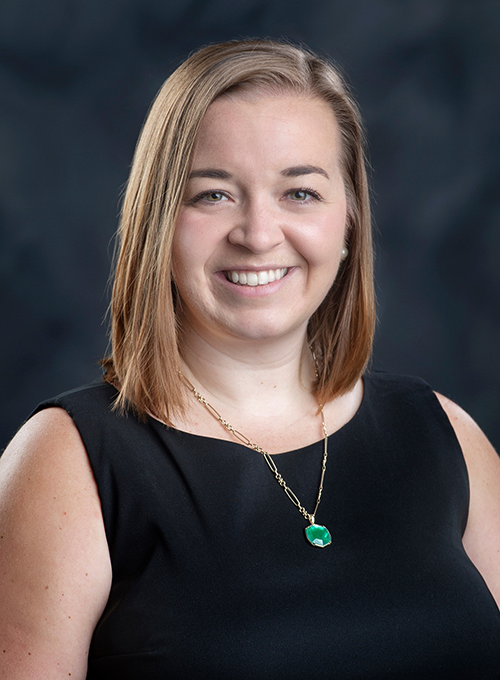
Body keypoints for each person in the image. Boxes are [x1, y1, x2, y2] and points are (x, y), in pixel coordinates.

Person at [1, 39, 499, 680]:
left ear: (348, 220)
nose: (258, 233)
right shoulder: (67, 462)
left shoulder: (444, 434)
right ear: (160, 222)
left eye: (300, 193)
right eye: (213, 195)